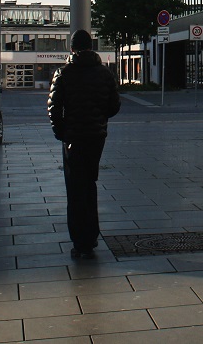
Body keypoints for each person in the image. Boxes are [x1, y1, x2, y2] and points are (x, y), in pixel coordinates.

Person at [48, 29, 120, 260]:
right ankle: (91, 235)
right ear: (91, 46)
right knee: (90, 184)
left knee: (75, 189)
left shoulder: (63, 73)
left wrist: (62, 132)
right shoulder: (105, 73)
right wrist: (99, 119)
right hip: (96, 137)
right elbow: (114, 106)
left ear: (72, 48)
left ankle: (81, 242)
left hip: (73, 138)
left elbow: (54, 108)